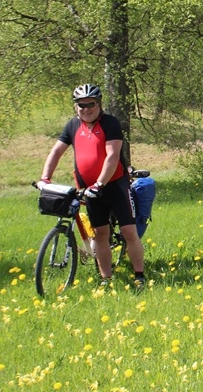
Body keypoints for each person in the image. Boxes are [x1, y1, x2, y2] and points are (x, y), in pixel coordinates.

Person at [37, 84, 146, 288]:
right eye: (81, 105)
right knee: (100, 234)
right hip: (89, 189)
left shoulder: (110, 123)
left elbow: (112, 156)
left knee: (129, 232)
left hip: (114, 186)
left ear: (99, 105)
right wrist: (45, 178)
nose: (86, 109)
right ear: (75, 107)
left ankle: (139, 275)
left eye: (91, 104)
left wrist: (100, 183)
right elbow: (56, 152)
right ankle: (106, 279)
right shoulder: (72, 126)